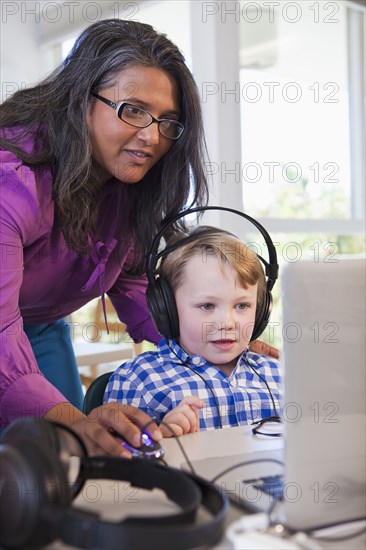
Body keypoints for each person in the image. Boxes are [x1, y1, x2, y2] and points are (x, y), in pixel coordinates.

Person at [0, 19, 277, 454]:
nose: (151, 137)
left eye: (168, 121)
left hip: (42, 326)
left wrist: (210, 332)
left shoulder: (128, 184)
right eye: (132, 110)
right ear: (80, 98)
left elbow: (133, 285)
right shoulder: (11, 181)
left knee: (68, 465)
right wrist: (76, 422)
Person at [104, 227, 282, 437]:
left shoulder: (278, 374)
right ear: (166, 308)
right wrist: (159, 437)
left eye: (242, 306)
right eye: (207, 306)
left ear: (261, 309)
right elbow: (118, 462)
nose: (227, 323)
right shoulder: (137, 380)